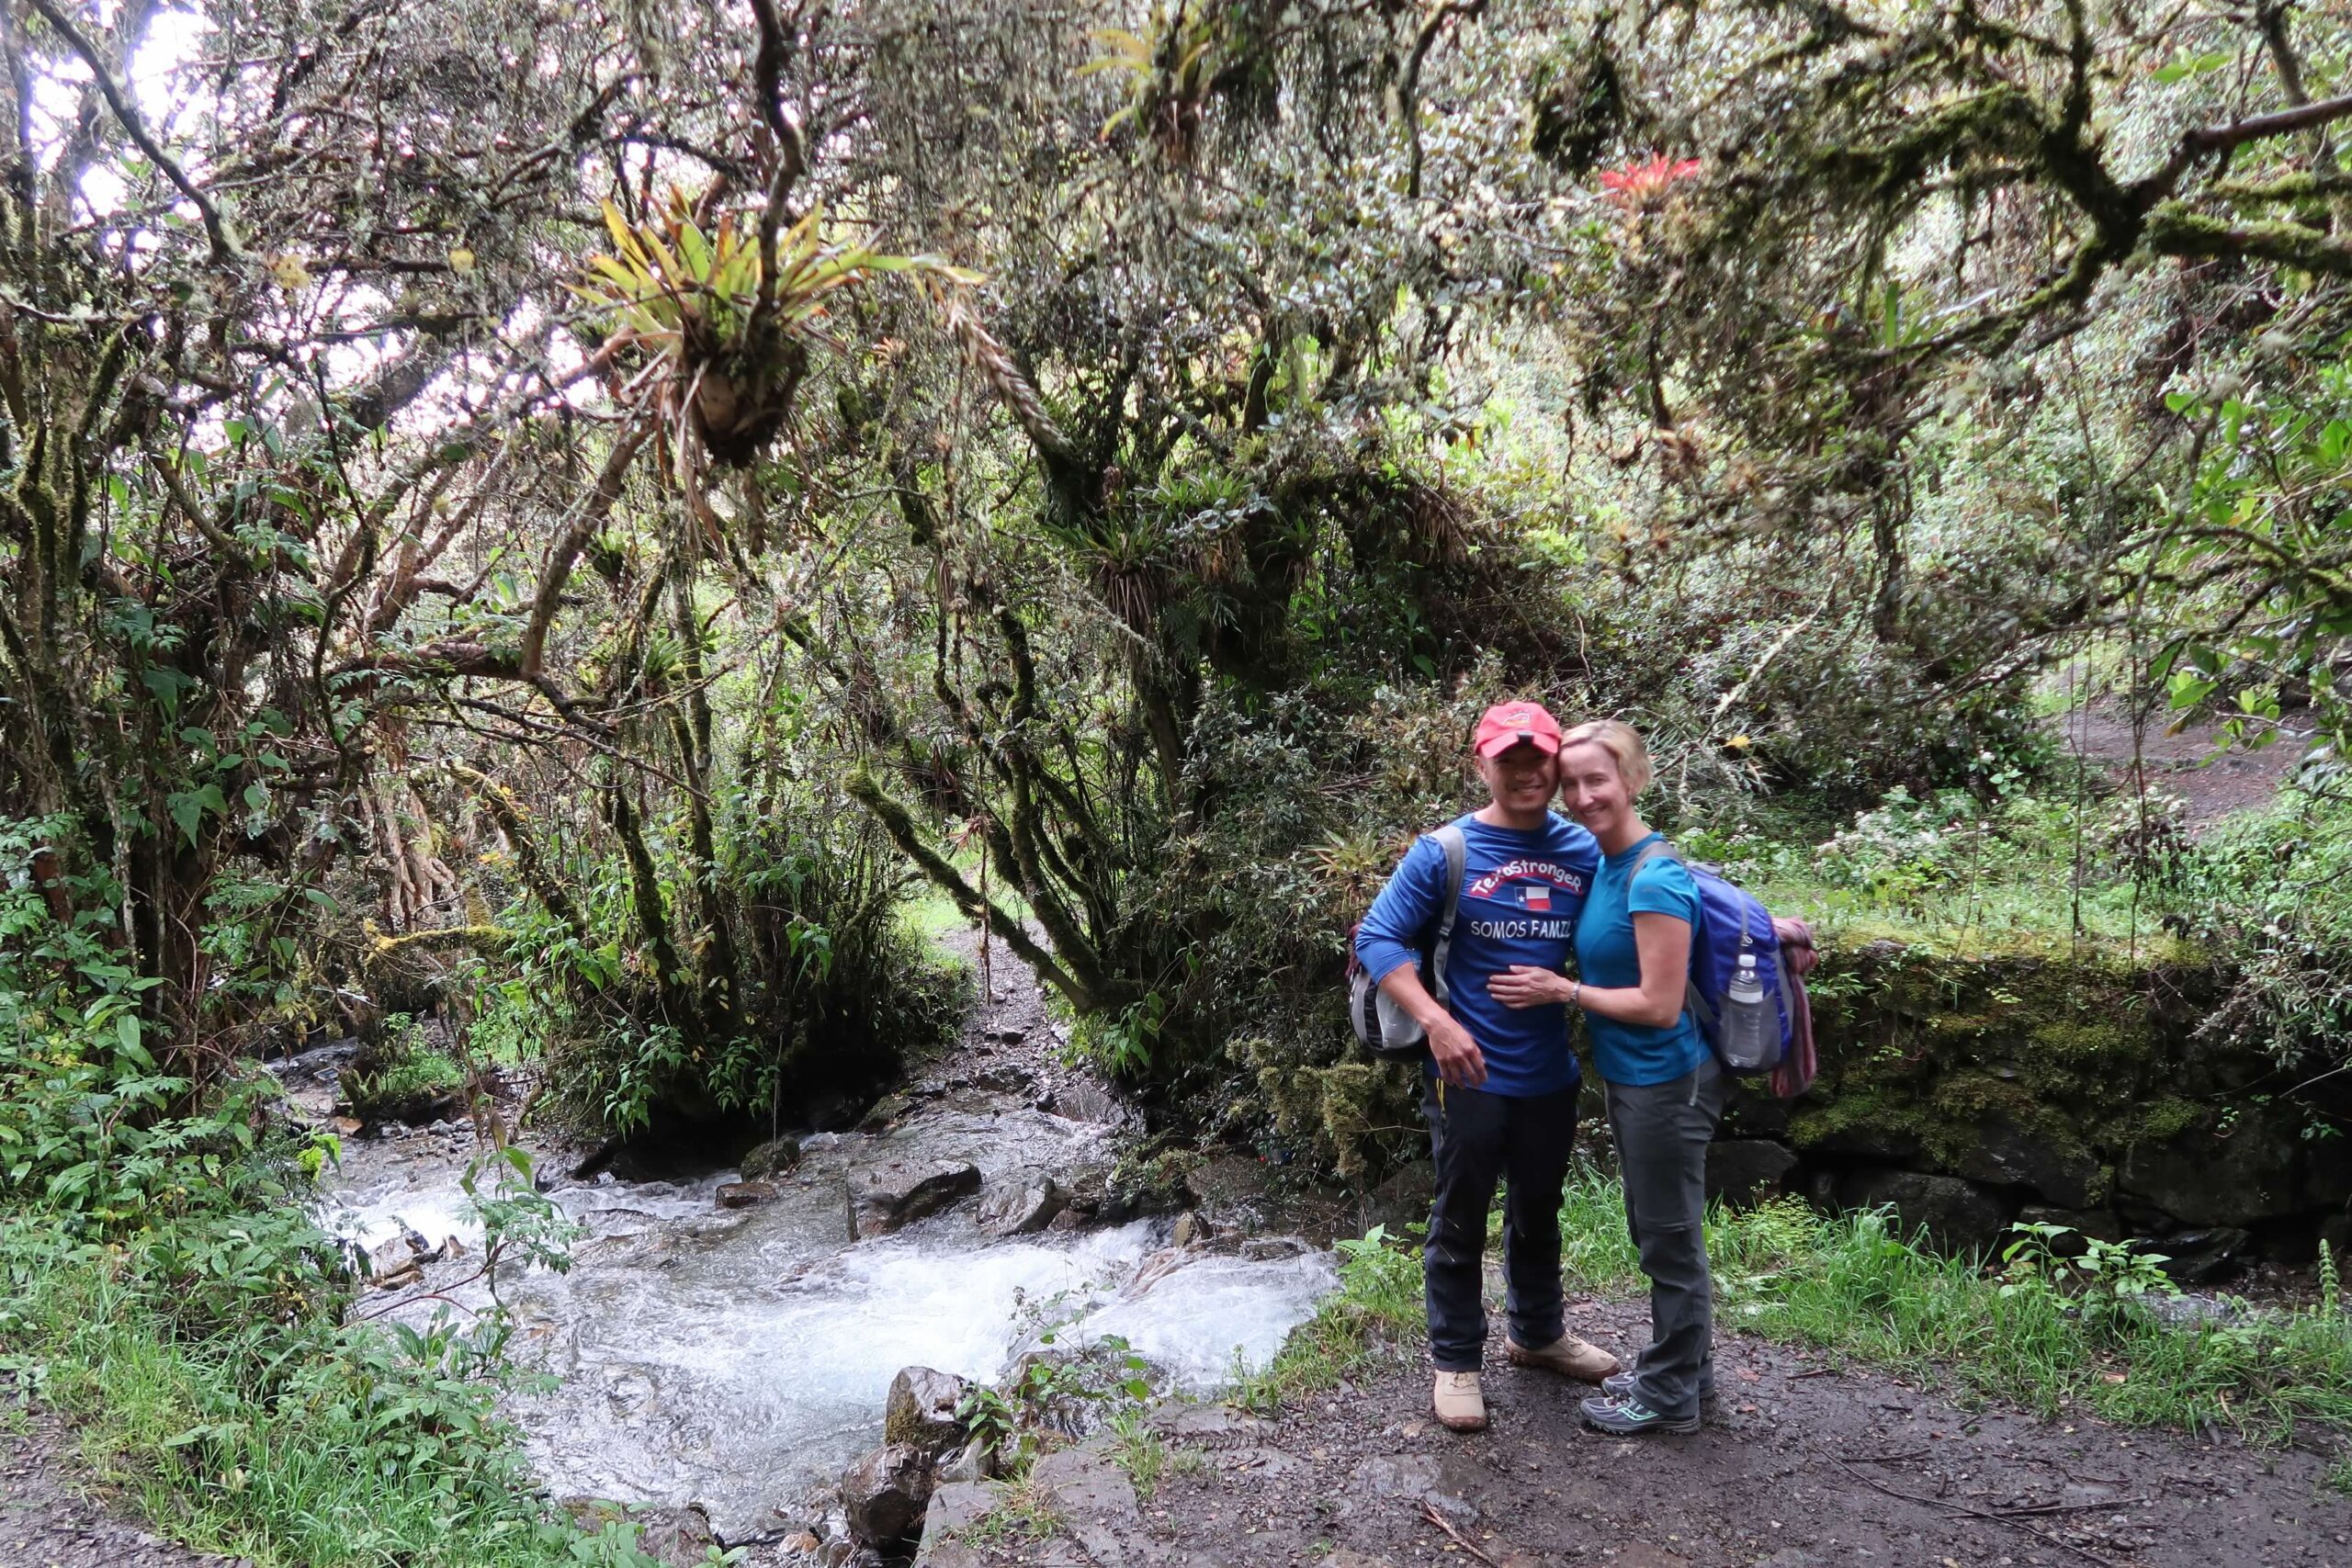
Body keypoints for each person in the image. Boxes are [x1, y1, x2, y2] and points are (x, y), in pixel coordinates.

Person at [1355, 700, 1620, 1434]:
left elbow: (1663, 886)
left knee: (1539, 1209)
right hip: (1466, 1072)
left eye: (1539, 757)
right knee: (1461, 1216)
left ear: (1557, 761)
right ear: (1484, 764)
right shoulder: (1445, 851)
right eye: (1510, 759)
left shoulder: (1584, 849)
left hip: (1550, 1073)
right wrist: (1437, 1022)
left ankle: (1536, 1333)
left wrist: (1763, 925)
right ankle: (1455, 1360)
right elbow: (1378, 938)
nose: (1528, 770)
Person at [1493, 717, 1719, 1435]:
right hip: (1637, 1080)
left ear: (1633, 779)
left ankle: (1668, 1395)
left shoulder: (1651, 874)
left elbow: (1657, 1003)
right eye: (1573, 784)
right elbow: (1698, 903)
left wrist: (1562, 991)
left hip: (1665, 1079)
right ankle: (1689, 1378)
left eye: (1599, 779)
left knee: (1668, 1237)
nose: (1585, 795)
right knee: (1662, 1230)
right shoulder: (1610, 862)